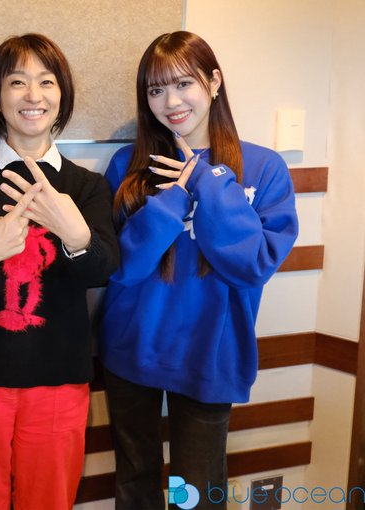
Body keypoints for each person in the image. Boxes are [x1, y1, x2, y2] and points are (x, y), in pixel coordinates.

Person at [99, 31, 298, 509]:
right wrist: (173, 200)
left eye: (183, 84)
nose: (171, 102)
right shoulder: (128, 165)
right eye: (155, 90)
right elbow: (123, 267)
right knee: (136, 485)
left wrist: (207, 185)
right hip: (132, 346)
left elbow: (253, 266)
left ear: (214, 82)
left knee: (196, 493)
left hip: (211, 352)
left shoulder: (263, 167)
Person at [0, 33, 119, 510]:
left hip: (58, 379)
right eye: (17, 82)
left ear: (62, 97)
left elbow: (103, 271)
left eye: (46, 82)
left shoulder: (86, 186)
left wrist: (75, 235)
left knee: (50, 501)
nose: (33, 95)